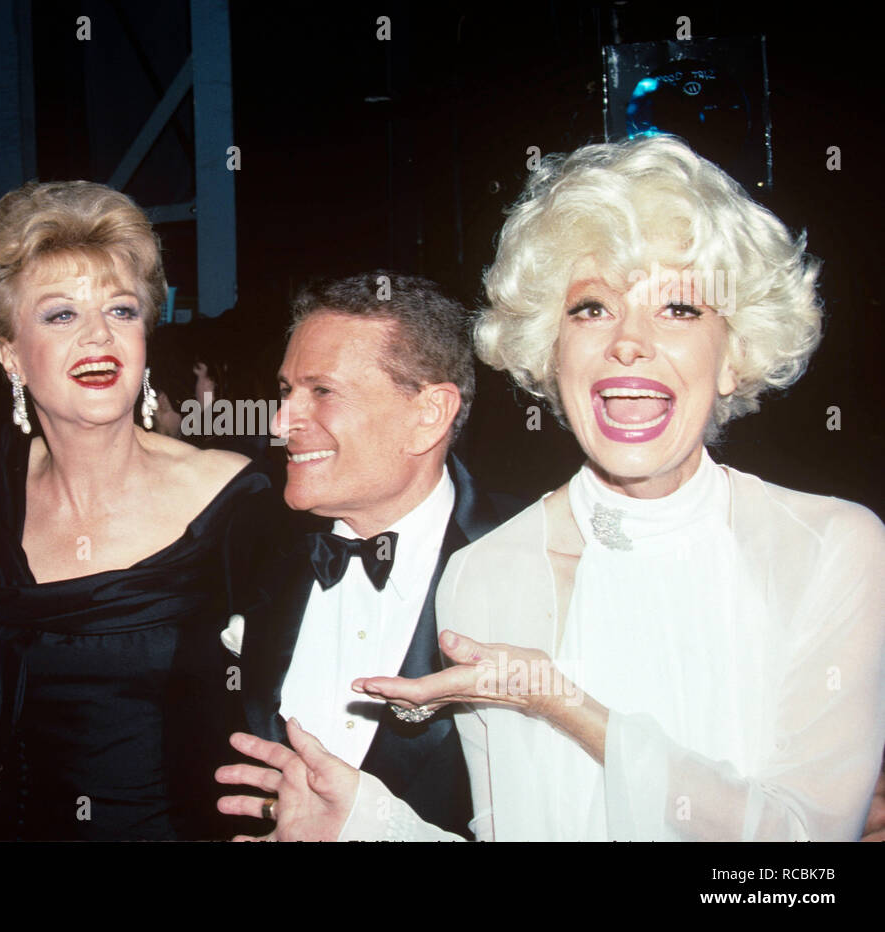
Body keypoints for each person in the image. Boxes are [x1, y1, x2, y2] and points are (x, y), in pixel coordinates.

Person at [219, 135, 885, 841]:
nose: (629, 341)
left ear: (735, 356)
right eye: (591, 308)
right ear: (551, 353)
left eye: (680, 309)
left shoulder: (832, 550)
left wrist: (563, 704)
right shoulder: (482, 575)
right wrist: (366, 823)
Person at [0, 180, 275, 840]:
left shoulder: (236, 502)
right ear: (11, 355)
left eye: (121, 311)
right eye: (60, 315)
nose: (98, 336)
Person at [220, 273, 521, 838]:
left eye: (322, 391)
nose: (280, 424)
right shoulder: (252, 545)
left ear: (428, 414)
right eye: (286, 391)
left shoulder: (529, 560)